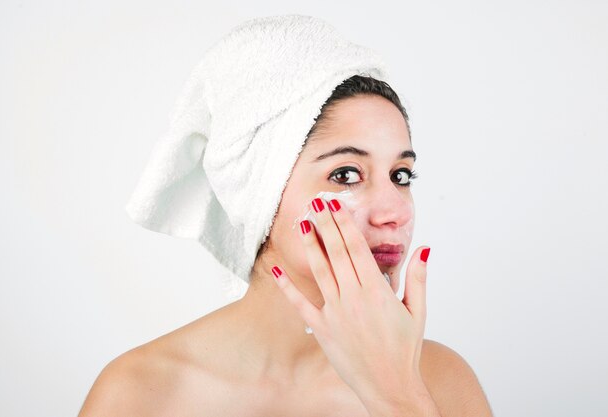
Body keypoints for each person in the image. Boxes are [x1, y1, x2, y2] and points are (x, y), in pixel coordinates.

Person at [78, 73, 493, 416]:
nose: (395, 212)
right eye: (346, 174)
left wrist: (399, 396)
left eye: (401, 176)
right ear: (260, 195)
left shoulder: (439, 381)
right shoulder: (138, 394)